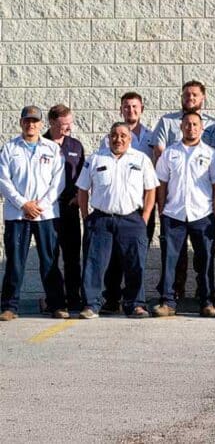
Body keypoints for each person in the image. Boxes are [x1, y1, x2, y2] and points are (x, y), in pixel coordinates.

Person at [76, 123, 158, 319]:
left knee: (134, 264)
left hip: (131, 219)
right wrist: (86, 217)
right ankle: (92, 305)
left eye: (123, 135)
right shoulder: (96, 159)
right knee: (94, 264)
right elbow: (82, 189)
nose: (118, 139)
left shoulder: (141, 159)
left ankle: (136, 304)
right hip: (100, 219)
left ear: (129, 139)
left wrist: (145, 216)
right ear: (109, 137)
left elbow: (151, 189)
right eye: (114, 135)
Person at [151, 80, 215, 303]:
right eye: (187, 124)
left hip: (202, 214)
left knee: (205, 260)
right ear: (180, 127)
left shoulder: (211, 154)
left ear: (202, 128)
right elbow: (161, 183)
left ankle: (207, 301)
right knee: (171, 260)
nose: (191, 128)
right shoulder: (170, 153)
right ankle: (167, 301)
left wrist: (213, 213)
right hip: (173, 214)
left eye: (195, 125)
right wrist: (162, 209)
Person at [0, 106, 66, 321]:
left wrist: (41, 205)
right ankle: (9, 307)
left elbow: (58, 182)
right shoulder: (9, 148)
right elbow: (3, 181)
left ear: (41, 124)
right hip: (17, 215)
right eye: (27, 121)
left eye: (35, 121)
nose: (31, 125)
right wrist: (23, 204)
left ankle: (56, 305)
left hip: (46, 215)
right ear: (21, 123)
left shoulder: (52, 149)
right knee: (15, 262)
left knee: (49, 261)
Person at [100, 91, 156, 314]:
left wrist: (145, 214)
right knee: (113, 257)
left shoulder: (151, 137)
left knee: (136, 256)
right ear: (120, 109)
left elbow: (153, 179)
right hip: (115, 207)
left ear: (141, 109)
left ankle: (136, 301)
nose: (130, 110)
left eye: (134, 107)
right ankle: (112, 299)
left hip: (139, 208)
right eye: (126, 107)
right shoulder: (109, 138)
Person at [46, 104, 86, 313]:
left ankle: (74, 298)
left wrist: (78, 197)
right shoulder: (40, 143)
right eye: (63, 125)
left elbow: (82, 176)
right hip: (46, 211)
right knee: (50, 258)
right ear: (51, 122)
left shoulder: (76, 145)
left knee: (72, 258)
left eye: (70, 123)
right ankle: (56, 301)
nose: (68, 128)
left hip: (69, 210)